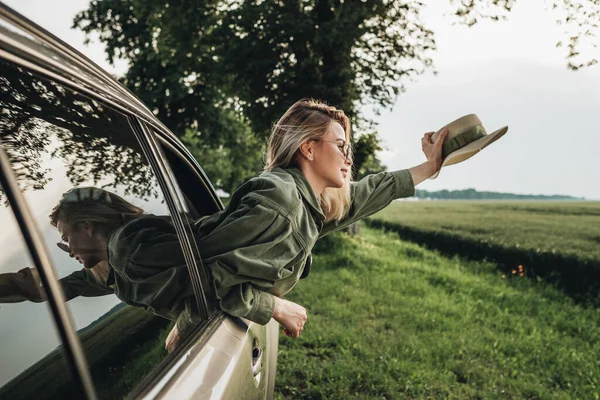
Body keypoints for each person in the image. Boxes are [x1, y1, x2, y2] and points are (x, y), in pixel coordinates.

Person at [0, 98, 448, 352]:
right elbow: (211, 277)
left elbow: (358, 197)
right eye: (341, 145)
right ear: (308, 150)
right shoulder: (280, 204)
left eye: (66, 237)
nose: (350, 156)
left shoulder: (296, 202)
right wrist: (276, 307)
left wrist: (428, 169)